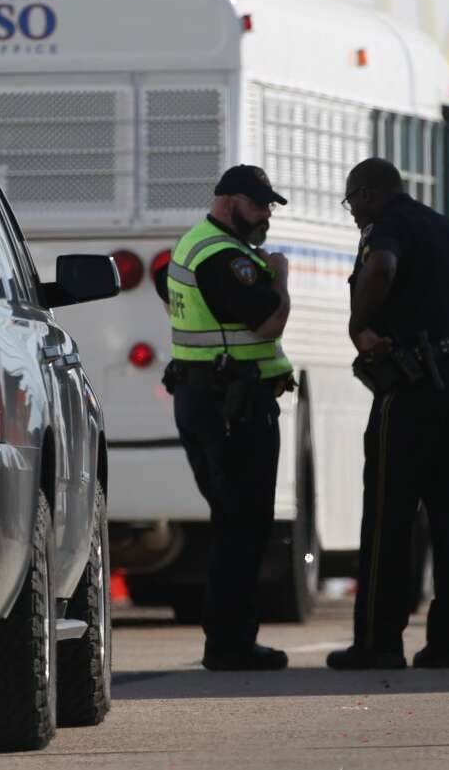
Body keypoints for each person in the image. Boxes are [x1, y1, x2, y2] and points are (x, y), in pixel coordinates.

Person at [326, 157, 449, 670]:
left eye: (352, 203)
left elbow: (381, 267)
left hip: (414, 383)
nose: (353, 214)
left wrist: (361, 324)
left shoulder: (387, 227)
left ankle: (378, 642)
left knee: (388, 515)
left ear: (370, 194)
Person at [163, 164, 295, 671]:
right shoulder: (222, 257)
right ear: (227, 201)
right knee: (243, 524)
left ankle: (230, 637)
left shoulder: (197, 243)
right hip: (231, 406)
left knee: (235, 522)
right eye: (259, 204)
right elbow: (267, 324)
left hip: (210, 400)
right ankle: (229, 642)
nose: (265, 214)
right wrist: (281, 276)